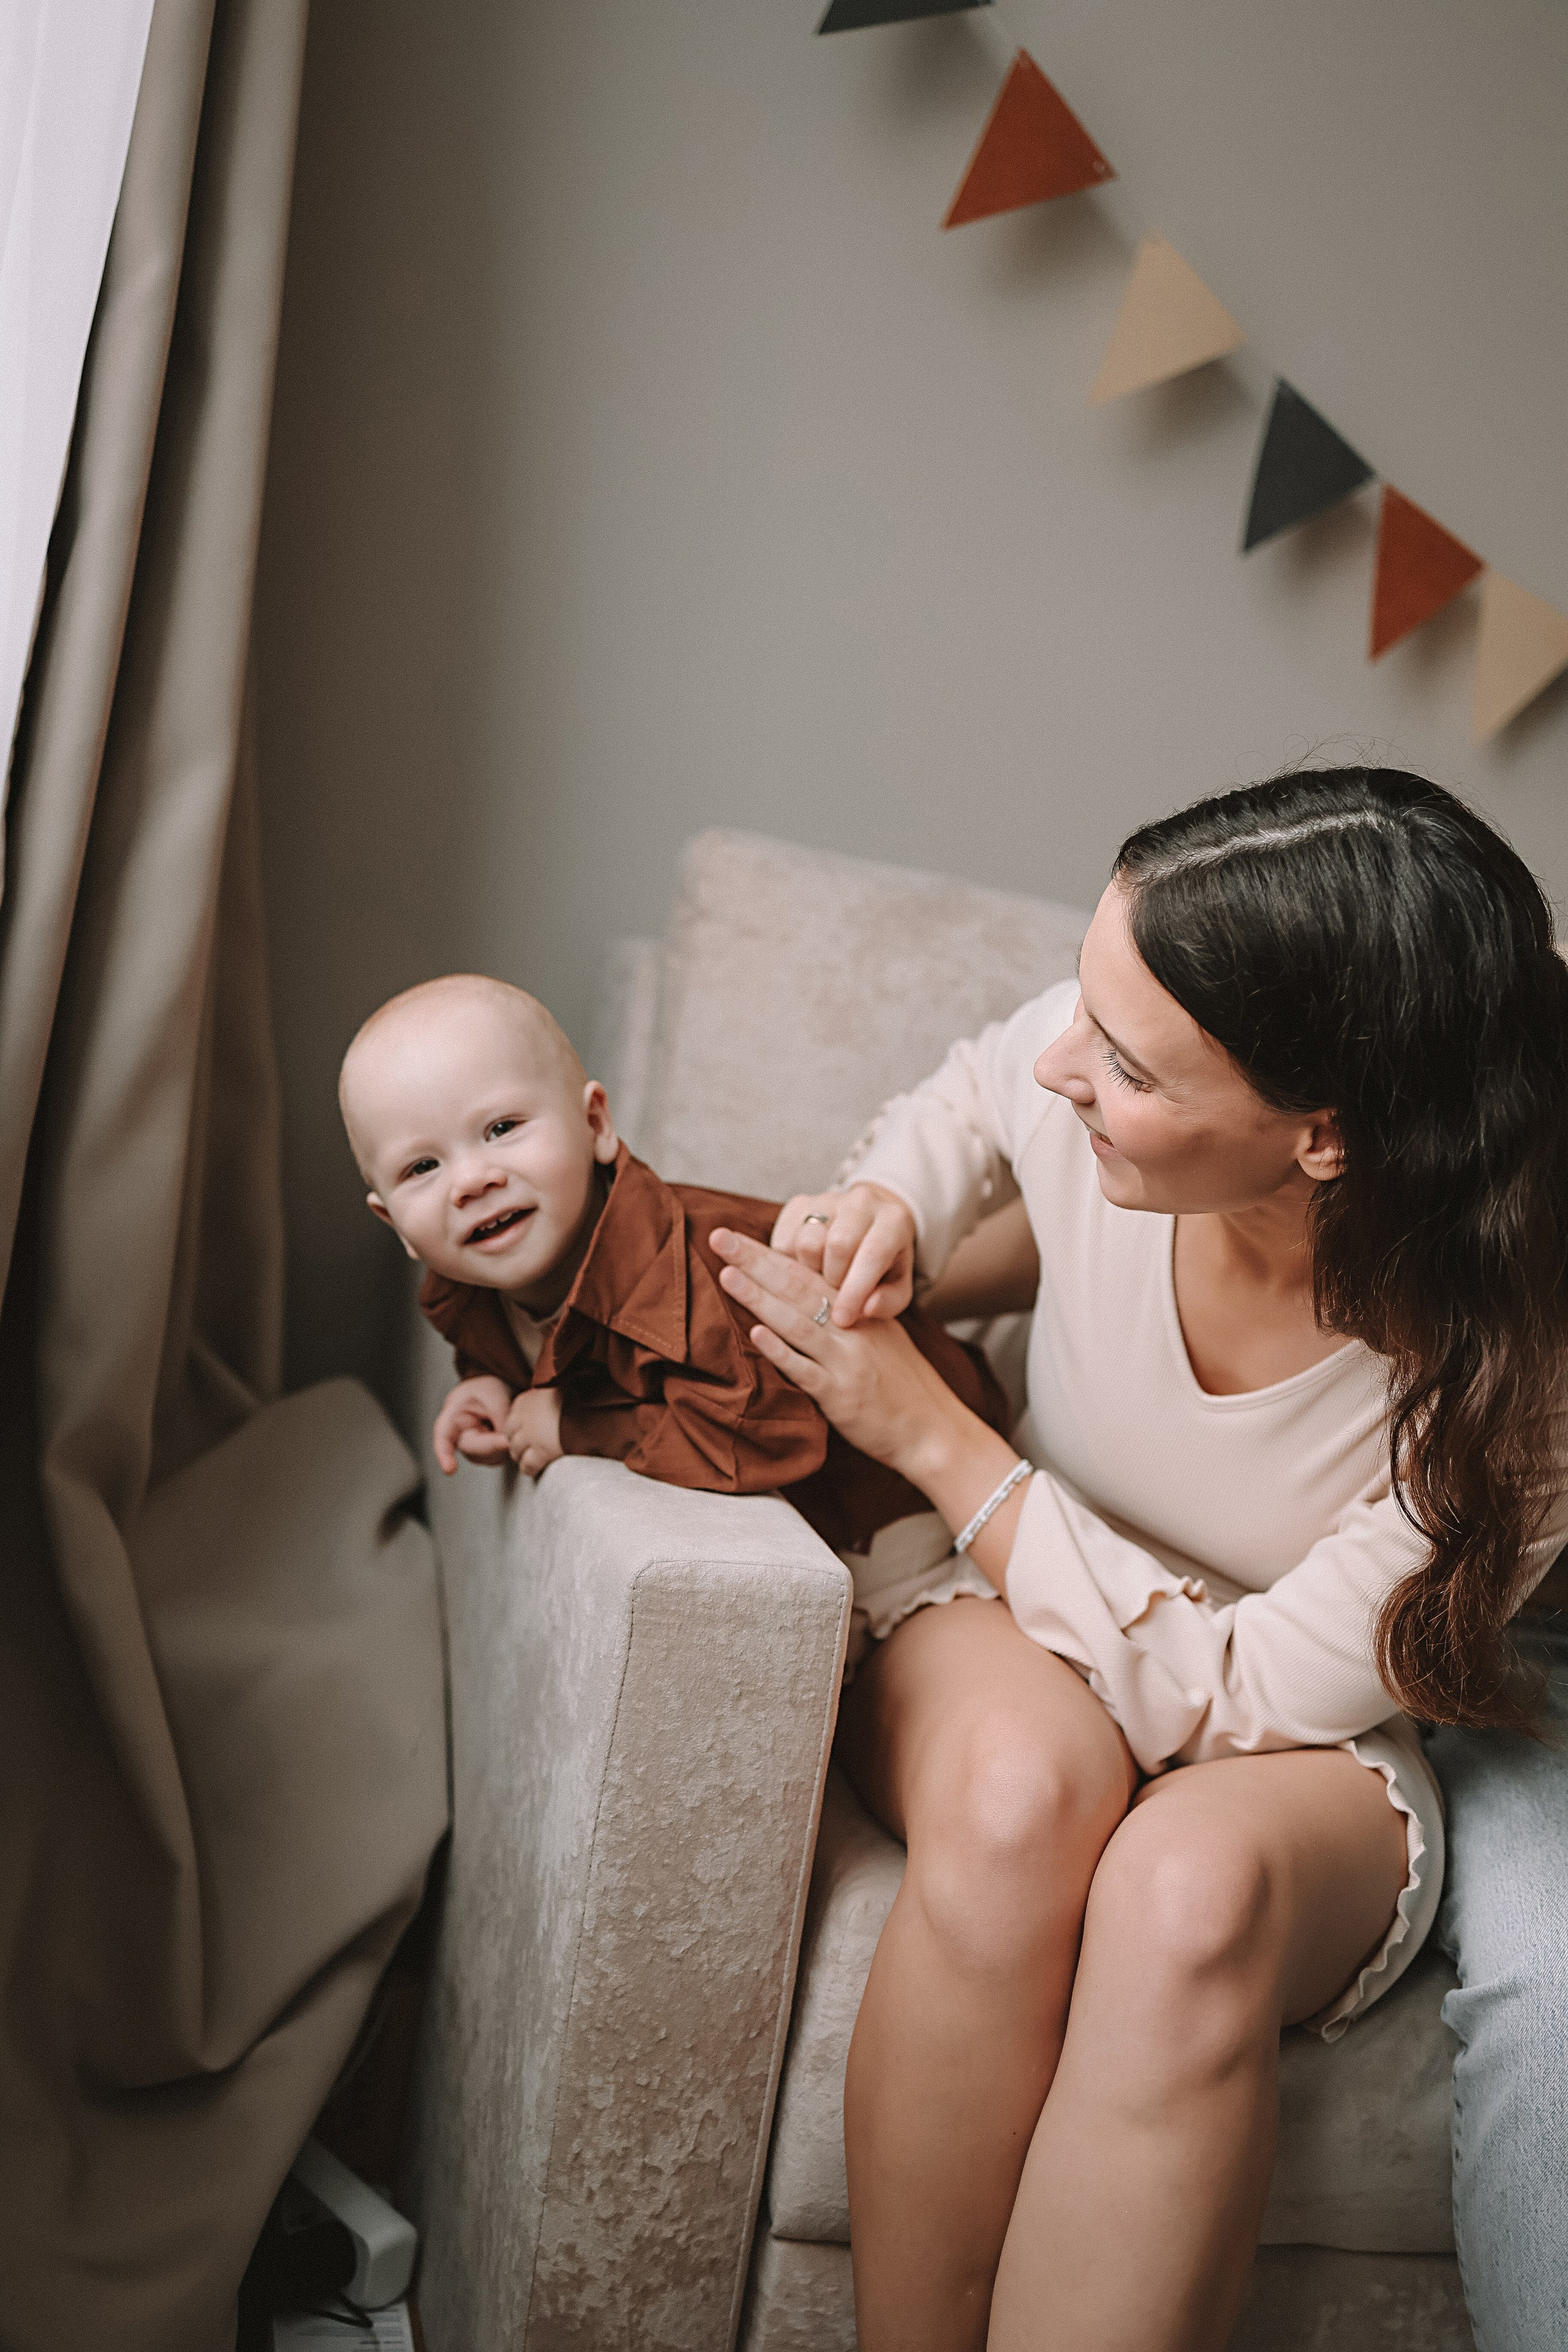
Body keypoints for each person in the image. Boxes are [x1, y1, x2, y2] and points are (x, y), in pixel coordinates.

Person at [708, 767, 1568, 2352]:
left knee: (1188, 1890)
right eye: (1084, 1012)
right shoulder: (1087, 1063)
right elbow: (974, 1095)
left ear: (1322, 1137)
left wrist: (942, 1441)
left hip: (1285, 1726)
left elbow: (1237, 1693)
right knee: (1021, 1790)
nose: (1064, 1061)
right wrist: (892, 1197)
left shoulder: (1515, 1393)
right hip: (1005, 1609)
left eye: (1125, 1061)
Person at [334, 973, 1009, 1561]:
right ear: (394, 1221)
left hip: (910, 1507)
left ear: (596, 1123)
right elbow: (547, 1349)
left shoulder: (698, 1279)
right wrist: (492, 1383)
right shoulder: (467, 1287)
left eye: (502, 1128)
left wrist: (573, 1427)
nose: (472, 1180)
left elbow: (762, 1437)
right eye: (423, 1167)